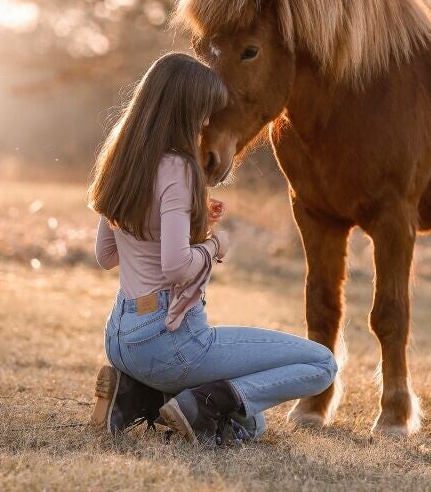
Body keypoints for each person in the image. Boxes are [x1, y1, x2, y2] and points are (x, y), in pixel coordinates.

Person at [87, 52, 337, 446]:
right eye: (204, 112)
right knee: (321, 365)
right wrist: (215, 245)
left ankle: (138, 393)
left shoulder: (122, 159)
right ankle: (186, 400)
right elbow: (173, 265)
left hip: (120, 337)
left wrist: (188, 216)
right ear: (185, 109)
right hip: (169, 342)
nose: (207, 122)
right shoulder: (178, 169)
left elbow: (106, 255)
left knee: (252, 422)